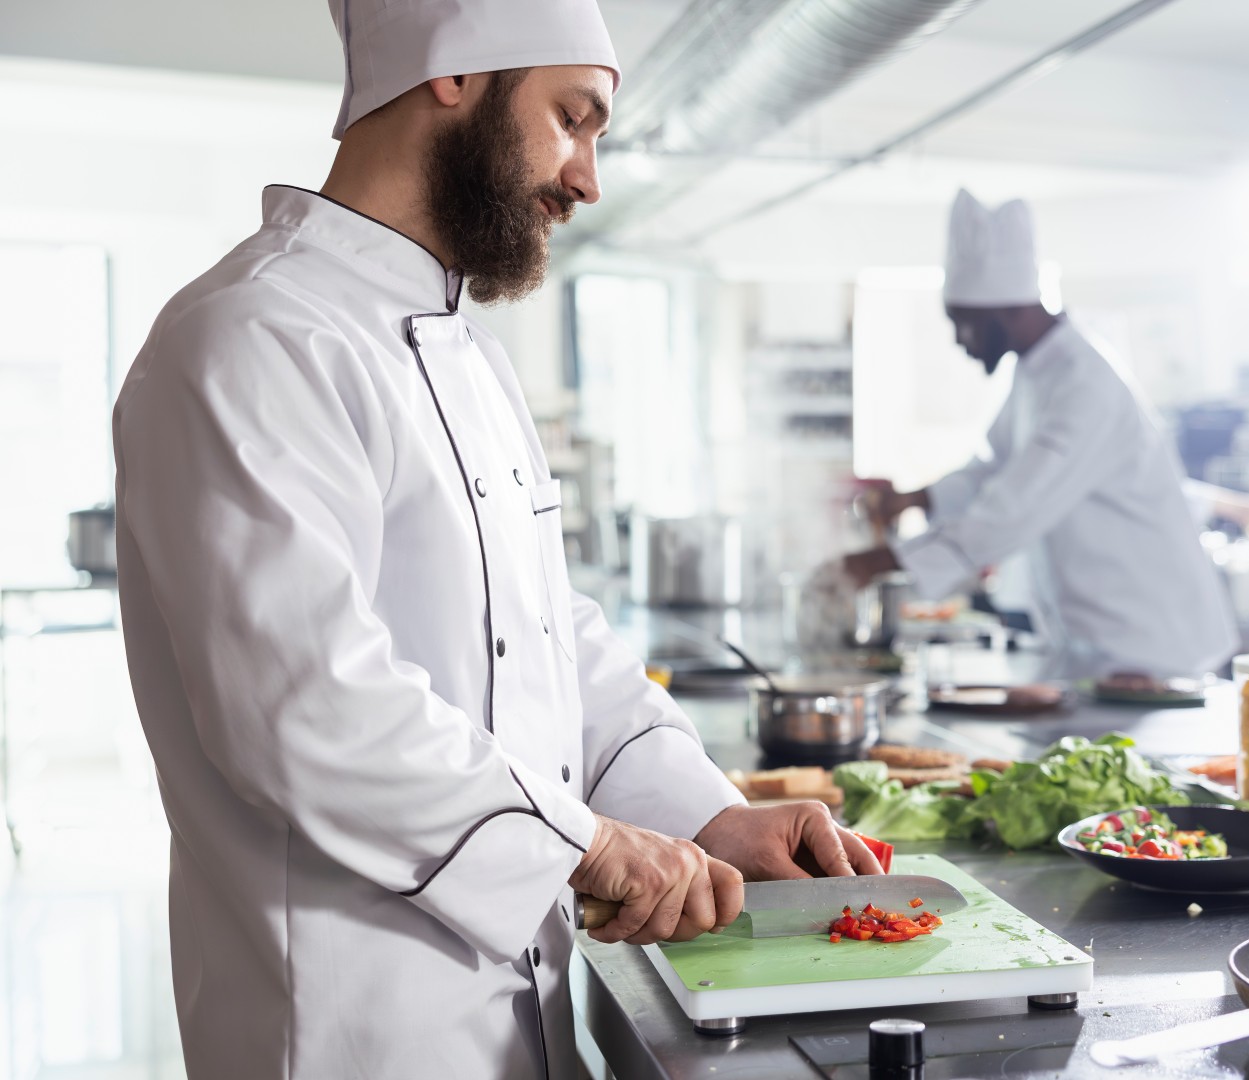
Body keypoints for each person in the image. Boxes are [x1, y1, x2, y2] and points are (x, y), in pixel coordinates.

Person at [112, 3, 880, 1078]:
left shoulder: (475, 359)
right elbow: (307, 709)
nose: (587, 177)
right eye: (574, 117)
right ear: (453, 77)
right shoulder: (252, 337)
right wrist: (594, 844)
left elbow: (546, 637)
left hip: (517, 1013)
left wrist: (704, 813)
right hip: (348, 1031)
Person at [844, 190, 1239, 680]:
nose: (958, 341)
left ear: (1004, 311)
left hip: (1158, 649)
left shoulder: (1085, 384)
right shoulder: (1035, 374)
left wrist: (880, 561)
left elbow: (1015, 506)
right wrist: (916, 498)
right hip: (1097, 648)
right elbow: (993, 466)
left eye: (963, 324)